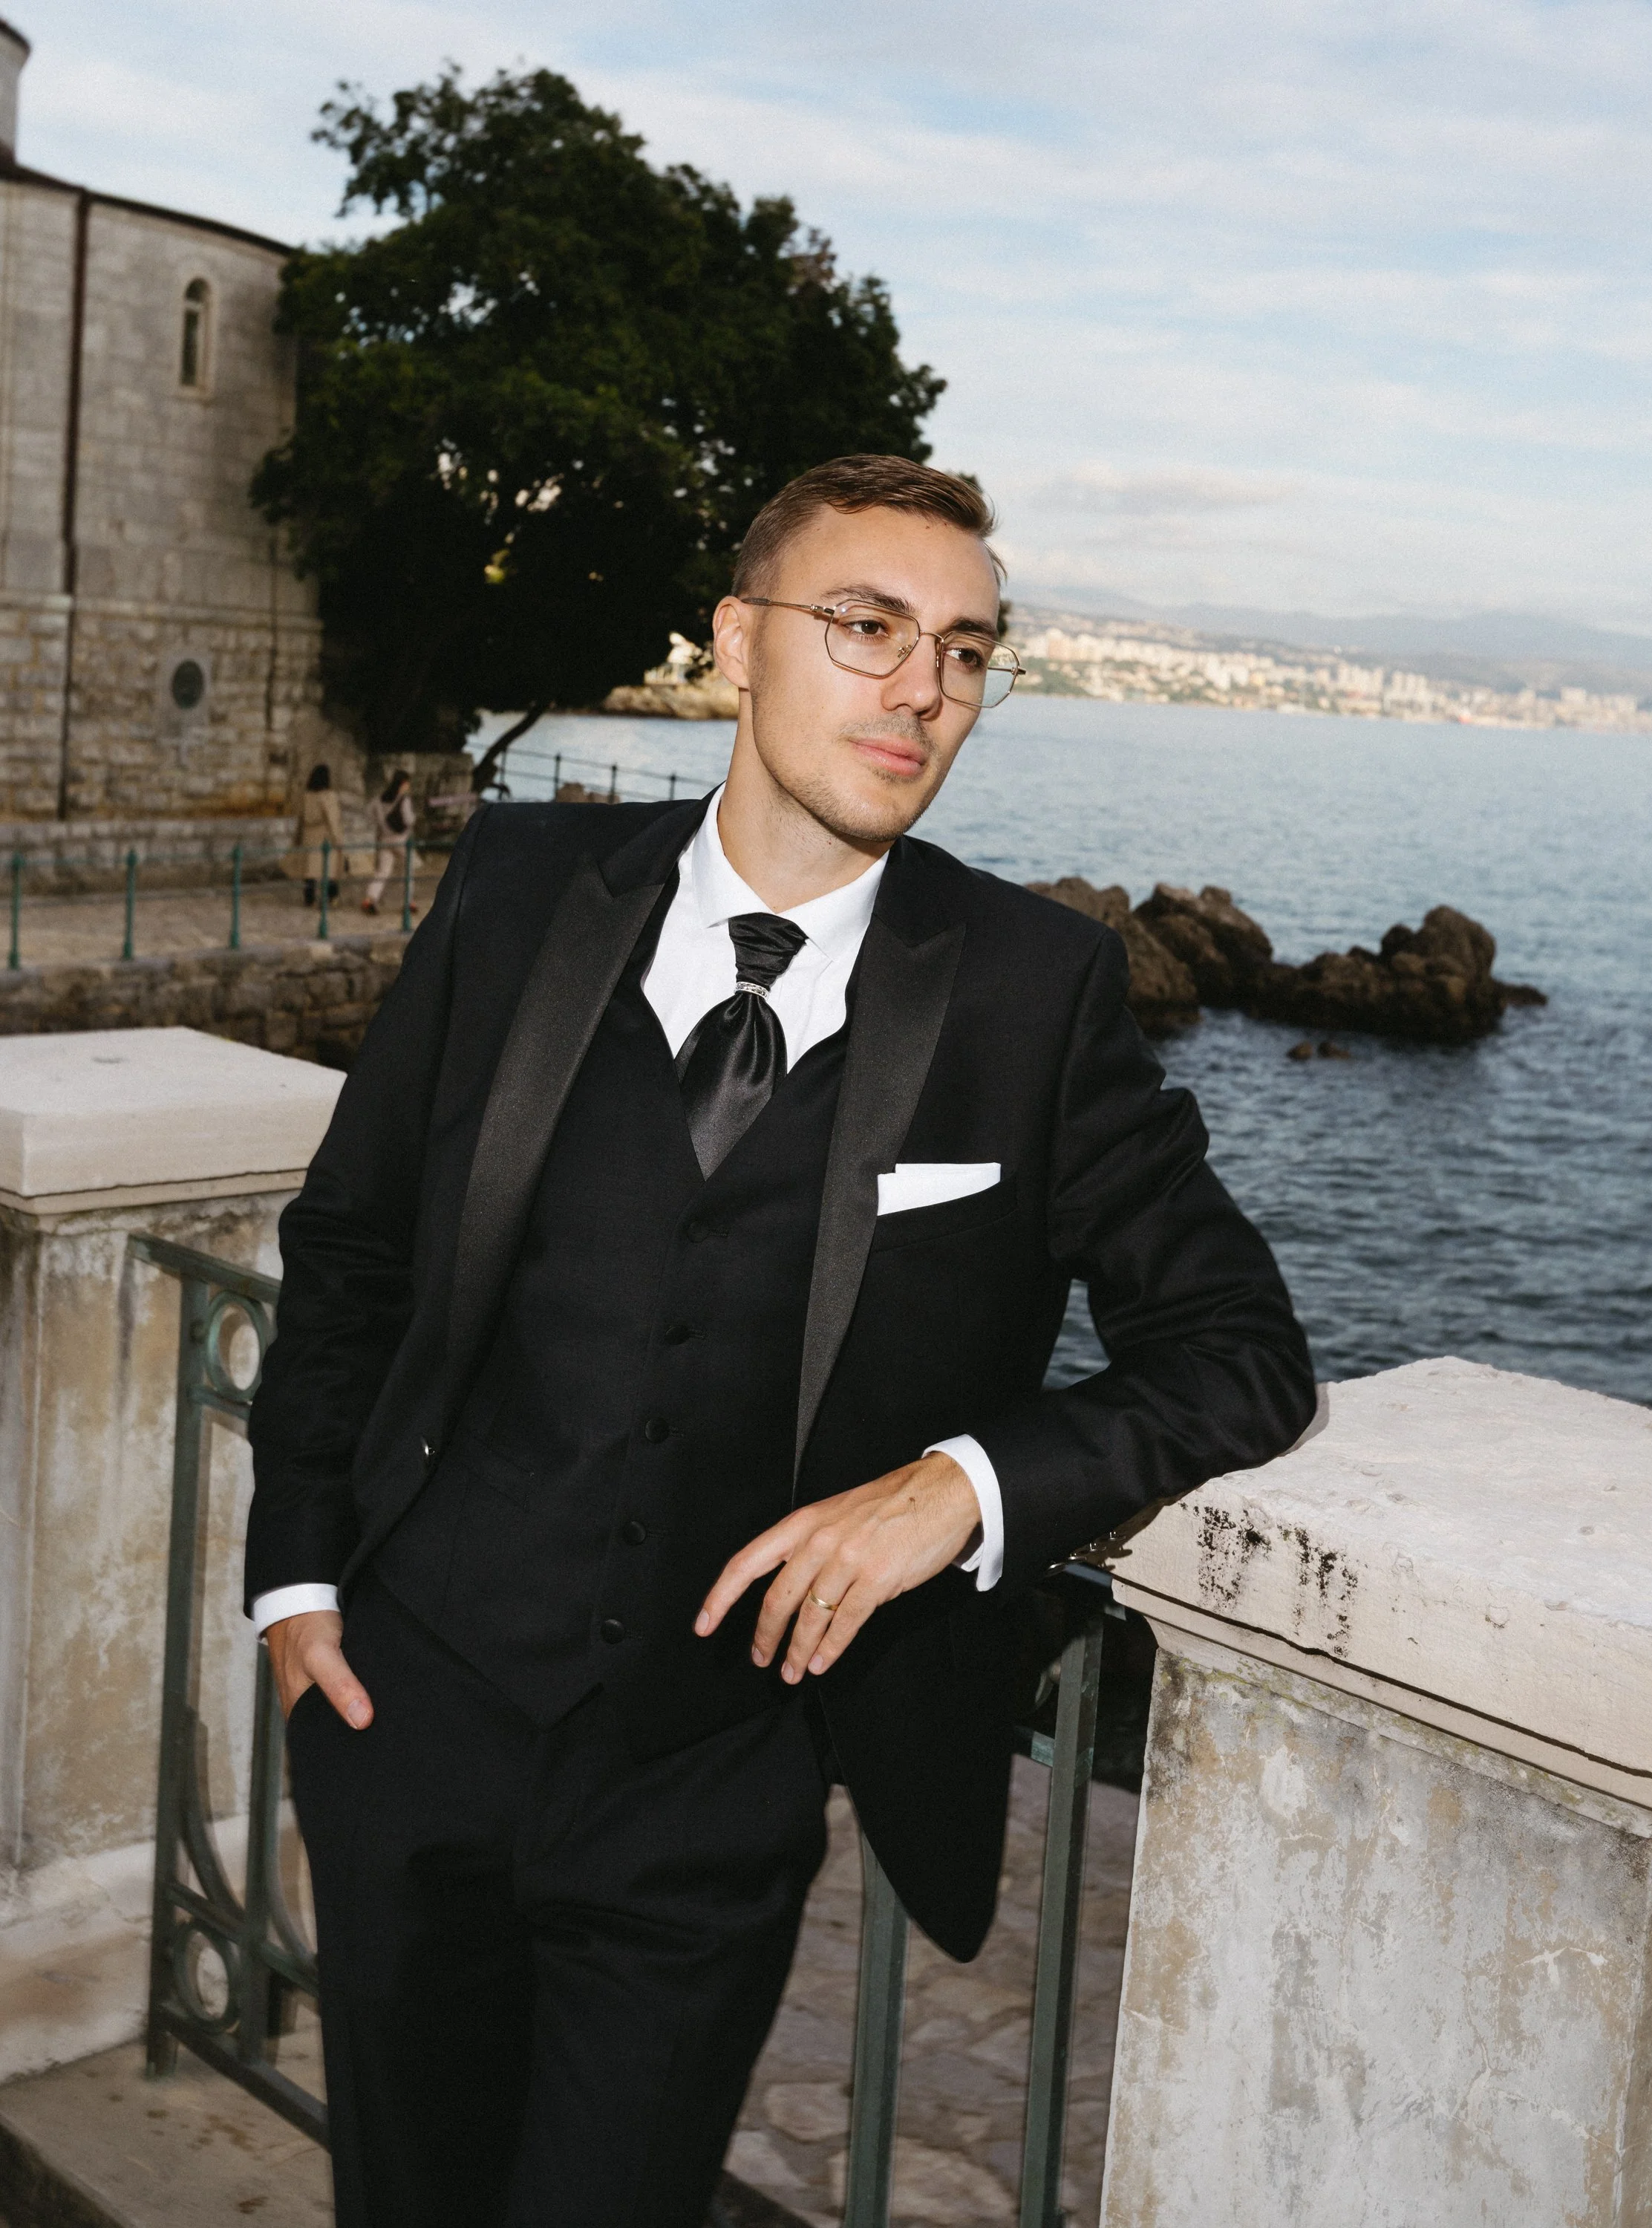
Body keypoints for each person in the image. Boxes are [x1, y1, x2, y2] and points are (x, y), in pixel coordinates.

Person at [247, 455, 1314, 2228]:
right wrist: (294, 1581)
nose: (922, 687)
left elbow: (1237, 1346)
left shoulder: (1033, 990)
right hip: (404, 1721)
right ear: (735, 645)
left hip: (712, 1783)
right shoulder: (519, 887)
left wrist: (961, 1488)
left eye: (965, 650)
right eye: (868, 626)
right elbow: (352, 1240)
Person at [362, 769, 416, 916]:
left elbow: (368, 814)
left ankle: (370, 899)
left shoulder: (379, 799)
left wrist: (381, 824)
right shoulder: (404, 799)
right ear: (403, 784)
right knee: (409, 869)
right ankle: (408, 902)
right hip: (400, 840)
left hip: (384, 840)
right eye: (408, 783)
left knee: (383, 871)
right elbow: (409, 820)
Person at [296, 761, 342, 908]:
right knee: (330, 869)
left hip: (309, 835)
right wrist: (338, 839)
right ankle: (332, 897)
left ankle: (309, 899)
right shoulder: (328, 796)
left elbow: (301, 818)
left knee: (310, 871)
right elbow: (332, 819)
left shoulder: (306, 796)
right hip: (325, 836)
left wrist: (298, 837)